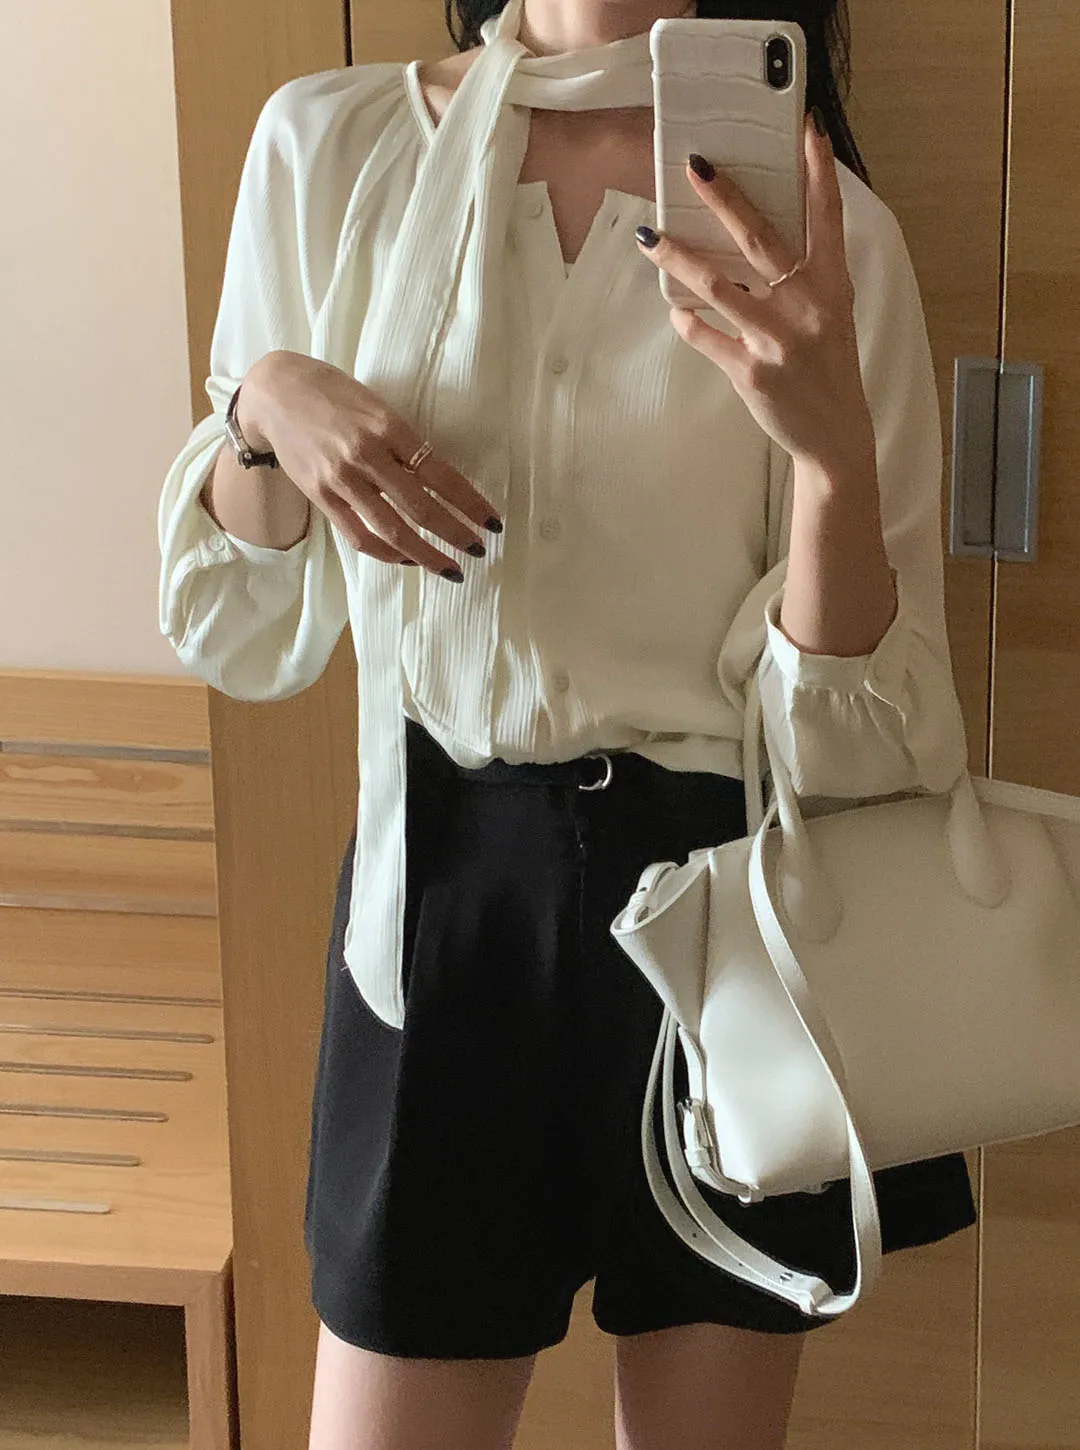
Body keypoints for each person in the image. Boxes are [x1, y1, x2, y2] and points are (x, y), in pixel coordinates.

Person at [157, 1, 978, 1445]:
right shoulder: (329, 149)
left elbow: (864, 741)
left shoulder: (823, 227)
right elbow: (239, 629)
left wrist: (834, 462)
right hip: (441, 901)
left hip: (728, 917)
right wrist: (262, 407)